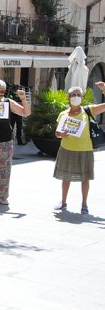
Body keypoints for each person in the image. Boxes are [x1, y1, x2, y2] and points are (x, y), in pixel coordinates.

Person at [53, 83, 105, 214]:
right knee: (66, 177)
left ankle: (84, 204)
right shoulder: (63, 114)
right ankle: (63, 202)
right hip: (66, 149)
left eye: (78, 95)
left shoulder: (89, 110)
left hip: (85, 150)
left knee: (85, 178)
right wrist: (61, 134)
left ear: (82, 97)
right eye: (73, 95)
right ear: (68, 98)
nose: (76, 97)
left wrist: (104, 90)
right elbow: (57, 133)